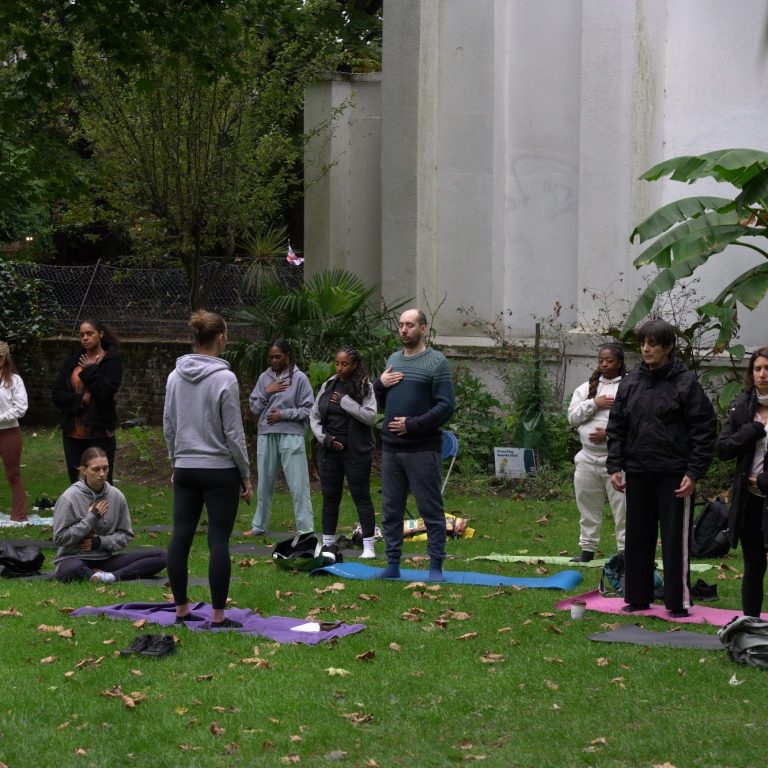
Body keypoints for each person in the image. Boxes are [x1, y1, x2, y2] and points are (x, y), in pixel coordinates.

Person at [607, 319, 716, 618]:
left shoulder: (686, 383)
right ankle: (637, 597)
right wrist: (615, 465)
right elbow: (617, 426)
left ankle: (677, 601)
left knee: (674, 540)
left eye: (653, 344)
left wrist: (693, 472)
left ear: (668, 347)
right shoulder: (630, 382)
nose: (646, 349)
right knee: (637, 537)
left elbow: (704, 429)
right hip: (638, 470)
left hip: (675, 474)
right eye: (643, 343)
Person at [163, 311, 253, 628]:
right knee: (218, 540)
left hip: (186, 467)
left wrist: (176, 461)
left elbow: (169, 426)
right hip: (219, 469)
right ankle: (217, 616)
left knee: (181, 536)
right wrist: (245, 473)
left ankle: (181, 610)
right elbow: (233, 432)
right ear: (220, 338)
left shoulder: (174, 377)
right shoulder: (225, 379)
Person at [373, 308, 455, 582]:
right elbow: (380, 401)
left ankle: (435, 567)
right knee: (391, 509)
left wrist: (413, 425)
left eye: (409, 325)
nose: (403, 330)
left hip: (422, 447)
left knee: (430, 508)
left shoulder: (436, 362)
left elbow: (446, 406)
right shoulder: (394, 359)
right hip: (391, 448)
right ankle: (392, 564)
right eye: (400, 325)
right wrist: (379, 384)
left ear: (423, 328)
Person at [53, 447, 167, 582]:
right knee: (70, 569)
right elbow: (59, 538)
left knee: (162, 556)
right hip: (73, 558)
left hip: (105, 559)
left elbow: (126, 535)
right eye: (96, 469)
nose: (102, 474)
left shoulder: (116, 495)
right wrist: (91, 518)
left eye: (105, 468)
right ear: (84, 471)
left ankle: (111, 576)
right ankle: (94, 575)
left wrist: (99, 542)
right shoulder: (69, 497)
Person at [310, 346, 378, 558]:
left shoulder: (365, 387)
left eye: (344, 364)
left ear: (355, 364)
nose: (339, 368)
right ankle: (328, 544)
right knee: (330, 497)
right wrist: (326, 440)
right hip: (330, 451)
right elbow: (314, 416)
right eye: (337, 363)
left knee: (361, 497)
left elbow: (370, 417)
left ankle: (369, 546)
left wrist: (344, 401)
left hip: (356, 452)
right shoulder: (329, 385)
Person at [716, 347, 768, 617]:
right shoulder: (743, 407)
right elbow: (722, 449)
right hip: (749, 503)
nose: (763, 374)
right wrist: (750, 431)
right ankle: (751, 625)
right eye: (758, 369)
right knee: (753, 567)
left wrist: (763, 479)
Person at [244, 339, 315, 538]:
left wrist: (284, 415)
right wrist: (267, 392)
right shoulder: (263, 378)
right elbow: (254, 408)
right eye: (271, 357)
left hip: (292, 435)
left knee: (298, 484)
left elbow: (309, 409)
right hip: (266, 434)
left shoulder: (300, 378)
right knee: (264, 483)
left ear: (287, 356)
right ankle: (259, 527)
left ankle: (305, 529)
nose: (274, 360)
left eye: (278, 356)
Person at [567, 344, 627, 562]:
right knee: (587, 506)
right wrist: (594, 403)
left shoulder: (628, 387)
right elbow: (572, 417)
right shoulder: (586, 389)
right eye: (601, 360)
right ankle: (587, 550)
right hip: (586, 458)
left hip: (617, 460)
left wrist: (609, 434)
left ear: (619, 362)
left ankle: (625, 551)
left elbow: (636, 422)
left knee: (623, 510)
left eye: (609, 361)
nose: (604, 364)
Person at [51, 318, 123, 484]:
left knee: (100, 480)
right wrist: (80, 401)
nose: (85, 338)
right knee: (77, 481)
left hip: (99, 430)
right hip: (72, 432)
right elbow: (57, 393)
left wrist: (90, 370)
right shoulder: (72, 361)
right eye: (82, 334)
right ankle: (79, 511)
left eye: (90, 333)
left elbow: (105, 391)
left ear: (100, 334)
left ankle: (102, 510)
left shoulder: (111, 361)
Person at [0, 341, 29, 522]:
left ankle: (19, 516)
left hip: (9, 432)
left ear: (6, 357)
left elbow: (21, 408)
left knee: (13, 474)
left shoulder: (14, 380)